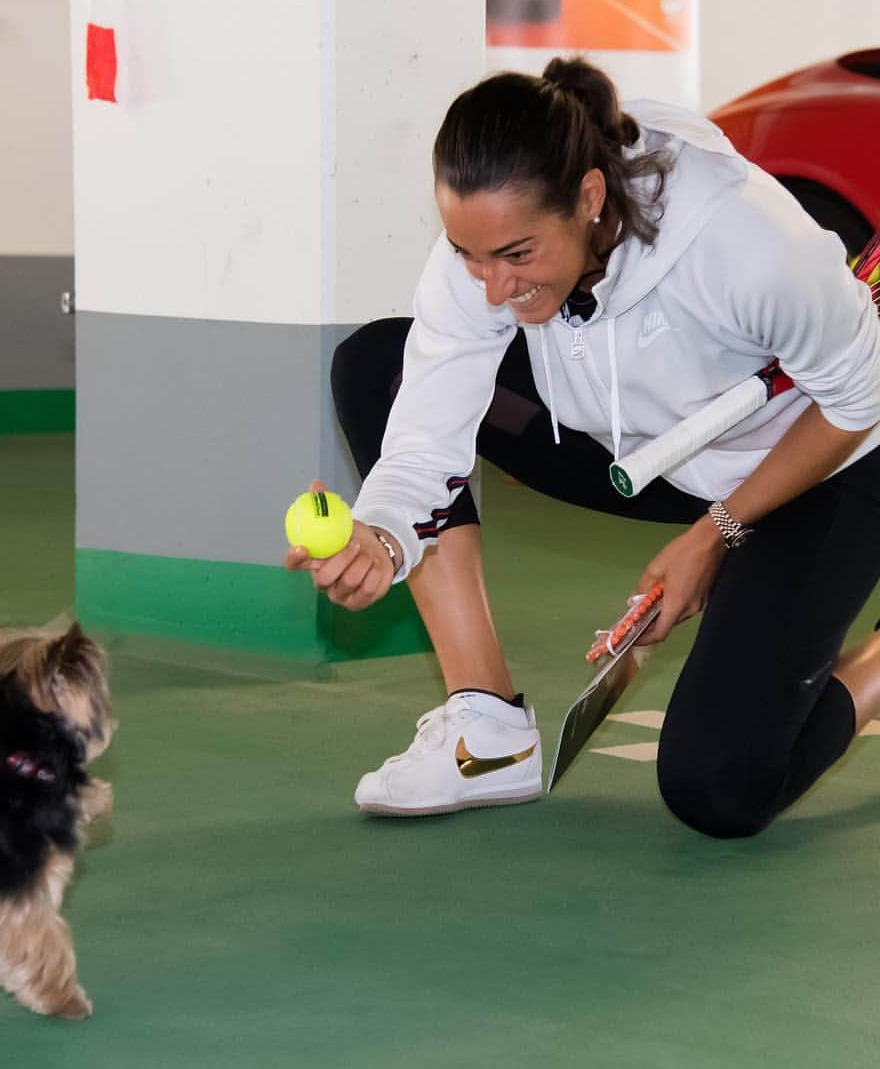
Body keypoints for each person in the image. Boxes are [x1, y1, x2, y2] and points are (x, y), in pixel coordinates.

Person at [284, 57, 880, 837]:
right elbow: (430, 416)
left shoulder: (747, 243)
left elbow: (858, 403)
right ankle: (486, 725)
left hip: (819, 461)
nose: (491, 286)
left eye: (518, 255)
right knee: (378, 365)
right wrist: (385, 534)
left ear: (590, 199)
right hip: (644, 447)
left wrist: (717, 534)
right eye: (470, 255)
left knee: (719, 787)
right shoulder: (491, 247)